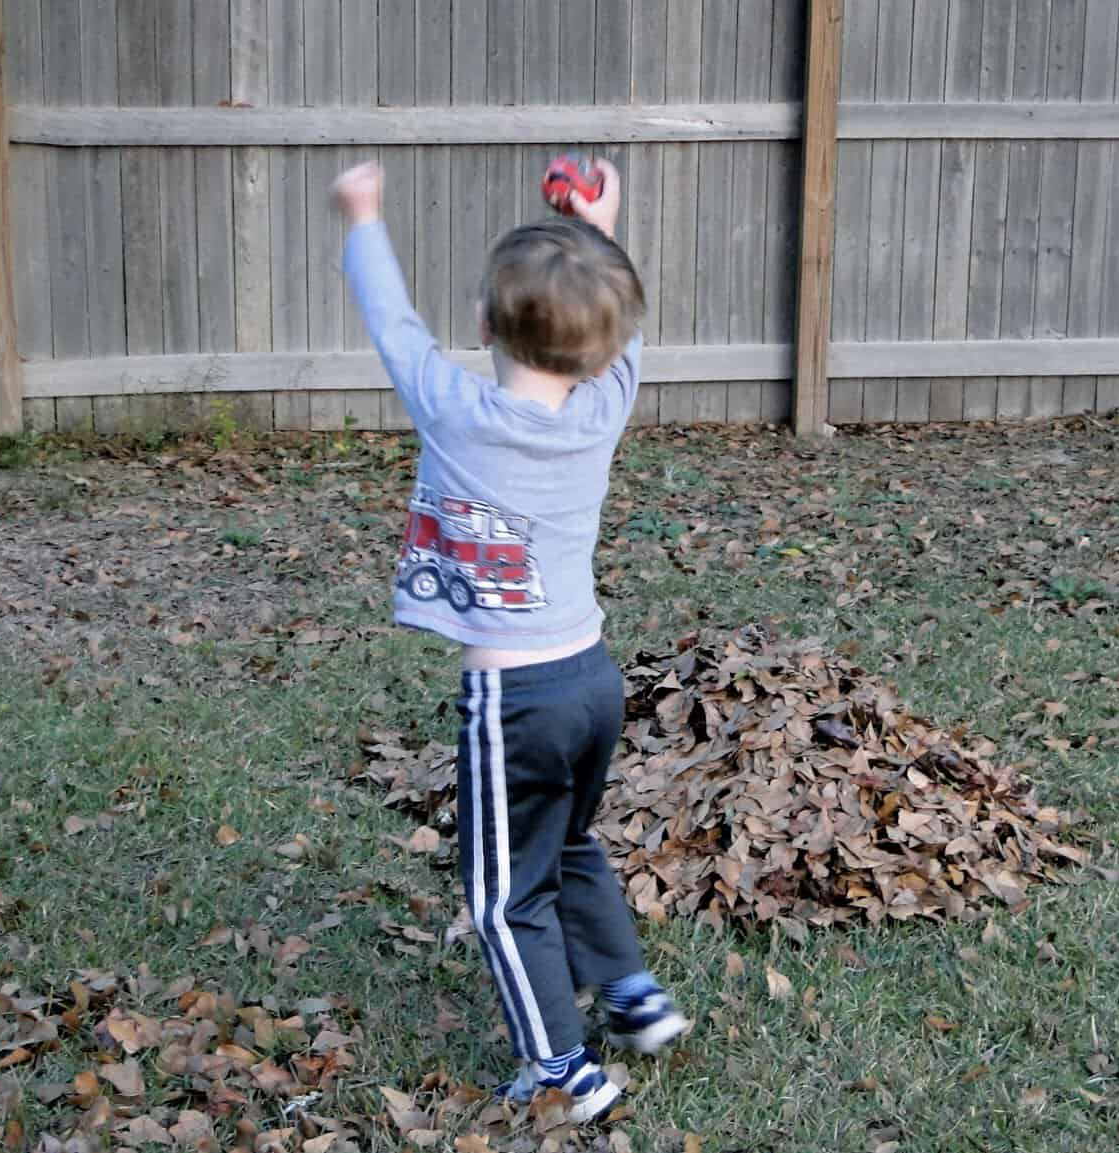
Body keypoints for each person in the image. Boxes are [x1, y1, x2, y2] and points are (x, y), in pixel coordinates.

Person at [333, 158, 688, 1124]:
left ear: (484, 327)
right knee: (571, 841)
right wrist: (602, 224)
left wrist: (363, 215)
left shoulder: (456, 415)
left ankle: (563, 1068)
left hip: (515, 704)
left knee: (501, 895)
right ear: (607, 338)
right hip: (593, 680)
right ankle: (631, 994)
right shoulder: (607, 404)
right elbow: (622, 325)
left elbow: (393, 327)